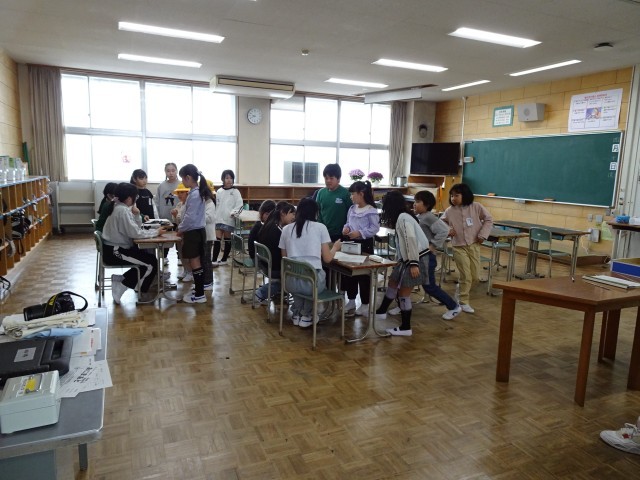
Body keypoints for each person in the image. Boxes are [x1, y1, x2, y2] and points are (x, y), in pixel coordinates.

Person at [279, 197, 341, 328]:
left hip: (290, 282)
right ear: (316, 213)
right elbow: (327, 259)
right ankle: (307, 314)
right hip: (311, 283)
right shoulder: (320, 227)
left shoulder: (286, 229)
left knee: (300, 274)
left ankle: (297, 312)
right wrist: (335, 247)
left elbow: (285, 258)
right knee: (312, 276)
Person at [374, 190, 430, 337]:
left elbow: (410, 240)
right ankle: (381, 311)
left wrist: (413, 264)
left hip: (416, 258)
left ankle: (406, 327)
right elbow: (402, 243)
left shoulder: (404, 218)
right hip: (407, 259)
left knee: (404, 293)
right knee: (393, 281)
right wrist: (401, 259)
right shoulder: (402, 216)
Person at [101, 182, 167, 304]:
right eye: (135, 197)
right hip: (115, 251)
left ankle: (122, 280)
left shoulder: (118, 207)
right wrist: (156, 232)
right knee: (151, 263)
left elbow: (135, 229)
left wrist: (137, 214)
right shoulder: (122, 210)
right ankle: (132, 288)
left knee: (149, 259)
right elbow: (135, 233)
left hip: (115, 249)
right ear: (129, 198)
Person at [440, 183, 493, 314]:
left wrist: (483, 235)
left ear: (465, 195)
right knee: (466, 275)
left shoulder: (476, 207)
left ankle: (461, 289)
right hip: (458, 246)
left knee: (475, 277)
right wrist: (448, 229)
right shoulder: (449, 211)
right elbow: (440, 222)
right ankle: (463, 301)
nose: (453, 198)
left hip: (474, 245)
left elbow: (488, 219)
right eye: (451, 196)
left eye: (456, 195)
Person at [413, 190, 461, 320]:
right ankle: (402, 305)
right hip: (419, 256)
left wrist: (432, 245)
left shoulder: (429, 217)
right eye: (415, 201)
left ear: (427, 204)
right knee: (406, 282)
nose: (414, 204)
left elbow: (444, 230)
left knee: (430, 287)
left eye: (418, 202)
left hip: (427, 257)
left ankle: (453, 307)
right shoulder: (420, 216)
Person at [341, 180, 380, 317]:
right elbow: (347, 222)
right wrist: (346, 228)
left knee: (364, 275)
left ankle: (365, 304)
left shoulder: (371, 210)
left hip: (365, 245)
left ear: (361, 194)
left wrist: (360, 233)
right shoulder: (352, 209)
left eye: (353, 194)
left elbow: (374, 228)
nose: (351, 197)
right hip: (351, 243)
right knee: (350, 273)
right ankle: (351, 300)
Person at [176, 164, 213, 303]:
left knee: (195, 262)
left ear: (188, 177)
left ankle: (199, 295)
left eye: (182, 179)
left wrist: (181, 229)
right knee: (196, 262)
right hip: (196, 231)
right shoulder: (196, 192)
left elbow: (190, 217)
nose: (182, 182)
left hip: (193, 232)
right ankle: (199, 290)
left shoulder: (195, 194)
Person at [255, 201, 296, 305]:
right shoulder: (277, 230)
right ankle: (261, 293)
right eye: (292, 213)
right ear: (283, 213)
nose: (294, 217)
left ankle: (280, 292)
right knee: (296, 277)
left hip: (264, 264)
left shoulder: (269, 225)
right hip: (273, 267)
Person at [212, 169, 243, 265]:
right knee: (217, 239)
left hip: (229, 219)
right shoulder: (219, 191)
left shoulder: (235, 191)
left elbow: (239, 204)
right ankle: (214, 260)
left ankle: (224, 259)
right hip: (218, 218)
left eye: (231, 178)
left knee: (227, 239)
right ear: (223, 179)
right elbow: (217, 205)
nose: (229, 180)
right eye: (227, 178)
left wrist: (233, 213)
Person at [316, 163, 352, 242]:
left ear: (338, 179)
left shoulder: (345, 193)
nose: (328, 181)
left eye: (331, 178)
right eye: (326, 178)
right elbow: (318, 211)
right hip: (324, 232)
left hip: (341, 233)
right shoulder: (320, 193)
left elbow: (351, 213)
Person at [157, 163, 180, 265]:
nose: (171, 173)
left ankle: (180, 257)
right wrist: (158, 215)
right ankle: (164, 257)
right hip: (165, 217)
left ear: (176, 171)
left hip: (178, 217)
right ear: (165, 172)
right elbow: (157, 202)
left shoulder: (181, 185)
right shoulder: (161, 186)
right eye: (168, 171)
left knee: (179, 236)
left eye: (173, 170)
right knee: (165, 238)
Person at [171, 184, 192, 282]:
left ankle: (190, 272)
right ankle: (185, 270)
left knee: (188, 253)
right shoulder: (179, 204)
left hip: (187, 232)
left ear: (188, 193)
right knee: (181, 252)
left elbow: (186, 220)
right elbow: (176, 221)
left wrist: (177, 216)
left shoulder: (190, 205)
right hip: (179, 231)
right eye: (178, 192)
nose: (179, 195)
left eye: (182, 192)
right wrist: (174, 215)